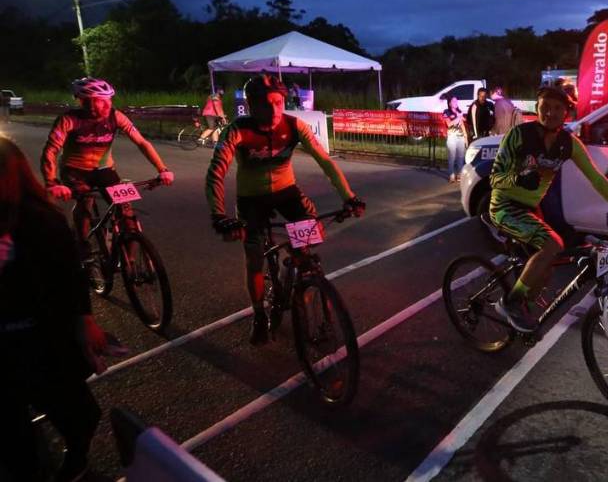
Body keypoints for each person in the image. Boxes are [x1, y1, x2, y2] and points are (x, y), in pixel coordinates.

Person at [206, 73, 365, 345]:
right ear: (251, 106)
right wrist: (219, 215)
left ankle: (301, 273)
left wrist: (349, 197)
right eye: (266, 104)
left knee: (310, 239)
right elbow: (215, 174)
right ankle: (258, 314)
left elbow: (325, 162)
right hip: (251, 199)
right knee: (254, 257)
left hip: (286, 192)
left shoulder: (294, 126)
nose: (274, 110)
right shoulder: (237, 129)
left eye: (279, 102)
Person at [490, 87, 608, 332]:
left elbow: (597, 179)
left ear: (567, 112)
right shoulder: (519, 135)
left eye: (557, 108)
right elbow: (495, 178)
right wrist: (518, 179)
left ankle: (520, 313)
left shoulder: (568, 144)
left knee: (546, 270)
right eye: (544, 107)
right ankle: (510, 303)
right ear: (537, 108)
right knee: (553, 244)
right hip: (504, 206)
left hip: (531, 208)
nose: (549, 113)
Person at [1, 135, 109, 482]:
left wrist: (85, 321)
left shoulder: (40, 220)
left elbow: (69, 277)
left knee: (79, 416)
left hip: (40, 338)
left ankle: (74, 463)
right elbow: (51, 150)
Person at [41, 78, 175, 285]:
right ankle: (82, 244)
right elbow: (51, 151)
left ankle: (128, 261)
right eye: (89, 102)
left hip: (104, 170)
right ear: (79, 101)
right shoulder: (68, 120)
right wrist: (52, 182)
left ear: (110, 100)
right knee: (85, 203)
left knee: (127, 213)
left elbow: (141, 142)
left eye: (102, 101)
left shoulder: (116, 117)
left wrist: (163, 169)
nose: (96, 107)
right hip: (75, 171)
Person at [442, 93, 468, 182]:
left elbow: (462, 124)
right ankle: (451, 175)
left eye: (456, 101)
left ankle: (459, 174)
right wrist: (458, 117)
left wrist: (465, 136)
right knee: (452, 157)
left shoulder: (459, 112)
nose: (456, 102)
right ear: (449, 103)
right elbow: (449, 124)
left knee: (461, 157)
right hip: (452, 137)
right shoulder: (446, 112)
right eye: (453, 101)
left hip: (460, 137)